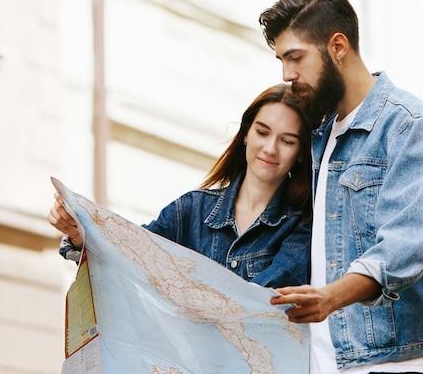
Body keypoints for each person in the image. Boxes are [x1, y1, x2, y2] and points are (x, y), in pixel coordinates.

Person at [260, 0, 423, 374]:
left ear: (338, 46)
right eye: (281, 60)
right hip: (329, 362)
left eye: (296, 57)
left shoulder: (411, 128)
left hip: (403, 363)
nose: (287, 74)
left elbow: (403, 250)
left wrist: (330, 297)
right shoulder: (318, 133)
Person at [48, 83, 313, 288]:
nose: (270, 149)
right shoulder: (192, 210)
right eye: (262, 132)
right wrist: (79, 233)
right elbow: (132, 251)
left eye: (287, 141)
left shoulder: (302, 228)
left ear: (301, 152)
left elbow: (264, 303)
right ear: (246, 133)